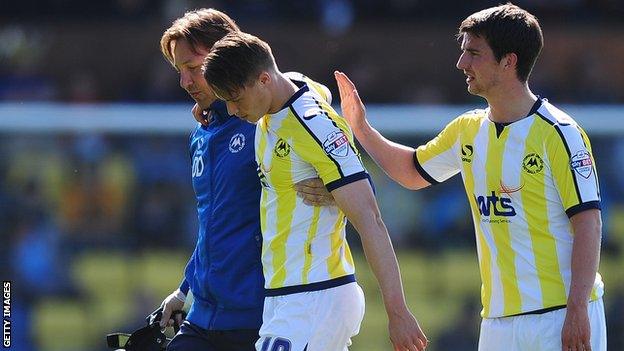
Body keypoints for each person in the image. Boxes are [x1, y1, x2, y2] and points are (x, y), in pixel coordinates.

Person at [334, 3, 606, 351]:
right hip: (497, 321)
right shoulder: (468, 129)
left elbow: (589, 224)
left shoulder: (560, 133)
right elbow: (413, 172)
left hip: (561, 315)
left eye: (473, 53)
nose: (461, 63)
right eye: (463, 52)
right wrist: (361, 128)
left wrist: (578, 308)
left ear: (509, 61)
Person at [203, 31, 429, 351]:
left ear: (264, 80)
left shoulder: (312, 125)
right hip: (284, 295)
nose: (234, 110)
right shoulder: (284, 91)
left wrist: (398, 312)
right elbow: (313, 89)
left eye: (236, 99)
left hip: (316, 294)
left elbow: (371, 218)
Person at [157, 9, 333, 350]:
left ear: (226, 53)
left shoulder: (266, 120)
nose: (185, 82)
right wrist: (183, 290)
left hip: (259, 316)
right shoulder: (203, 132)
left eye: (193, 68)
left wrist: (335, 188)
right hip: (204, 314)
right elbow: (215, 225)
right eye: (180, 71)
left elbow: (311, 93)